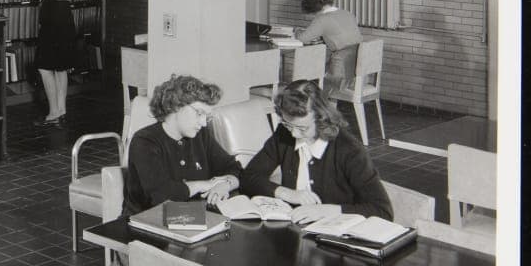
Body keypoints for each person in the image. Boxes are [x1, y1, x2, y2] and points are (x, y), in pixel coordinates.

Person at [239, 79, 392, 224]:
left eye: (302, 128)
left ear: (321, 119)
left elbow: (383, 211)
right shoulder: (284, 133)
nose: (294, 134)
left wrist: (329, 211)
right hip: (296, 226)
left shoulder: (349, 150)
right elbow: (248, 177)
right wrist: (286, 193)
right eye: (288, 125)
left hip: (336, 234)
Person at [123, 74, 243, 216]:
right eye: (199, 113)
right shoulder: (144, 141)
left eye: (207, 116)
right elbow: (161, 195)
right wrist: (205, 185)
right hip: (146, 220)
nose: (204, 123)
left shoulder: (201, 135)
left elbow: (235, 168)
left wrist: (225, 185)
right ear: (176, 106)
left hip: (190, 218)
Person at [14, 0, 77, 126]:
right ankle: (60, 111)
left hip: (58, 16)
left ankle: (54, 112)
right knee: (58, 67)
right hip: (53, 15)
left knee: (45, 66)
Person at [298, 0, 362, 94]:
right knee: (321, 73)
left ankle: (319, 103)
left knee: (313, 83)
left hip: (340, 73)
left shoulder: (322, 19)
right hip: (357, 72)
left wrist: (297, 31)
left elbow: (302, 38)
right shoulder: (346, 13)